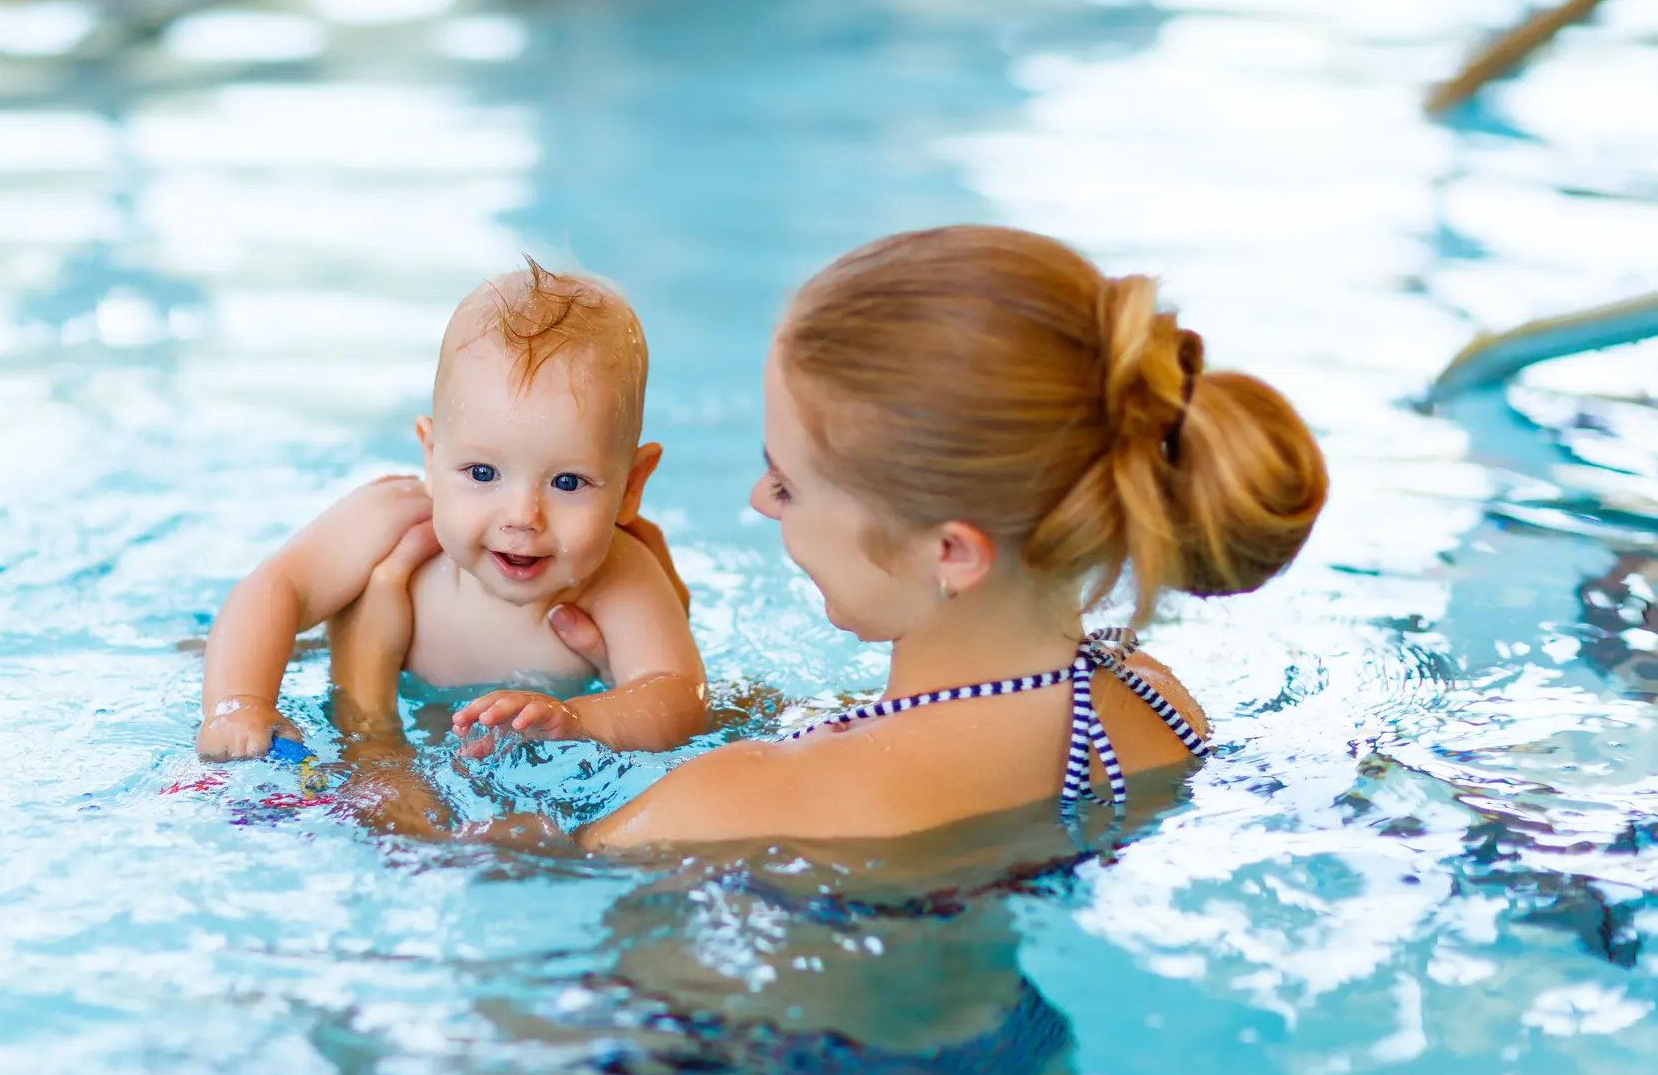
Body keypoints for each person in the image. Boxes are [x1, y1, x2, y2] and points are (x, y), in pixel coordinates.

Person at [333, 225, 1329, 846]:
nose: (762, 504)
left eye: (790, 482)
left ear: (952, 553)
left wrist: (369, 726)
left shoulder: (729, 806)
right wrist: (699, 696)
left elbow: (452, 858)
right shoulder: (1154, 702)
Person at [194, 260, 708, 763]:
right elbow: (276, 586)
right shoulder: (391, 522)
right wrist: (239, 701)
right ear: (432, 458)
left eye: (567, 482)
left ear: (631, 486)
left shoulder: (620, 576)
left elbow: (679, 696)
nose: (523, 516)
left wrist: (581, 721)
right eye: (482, 474)